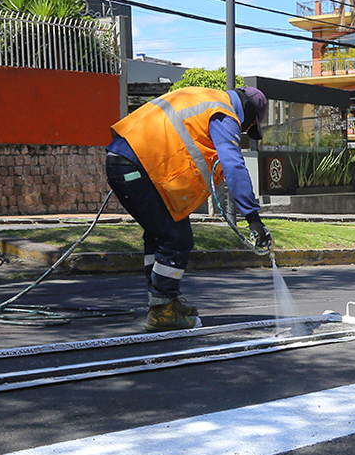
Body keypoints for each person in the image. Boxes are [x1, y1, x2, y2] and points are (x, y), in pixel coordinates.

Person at [106, 86, 274, 332]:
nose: (243, 130)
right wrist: (253, 217)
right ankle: (162, 310)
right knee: (177, 239)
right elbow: (233, 165)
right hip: (138, 166)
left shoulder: (203, 97)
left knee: (160, 236)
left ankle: (164, 302)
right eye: (248, 126)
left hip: (122, 161)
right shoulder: (223, 112)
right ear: (247, 110)